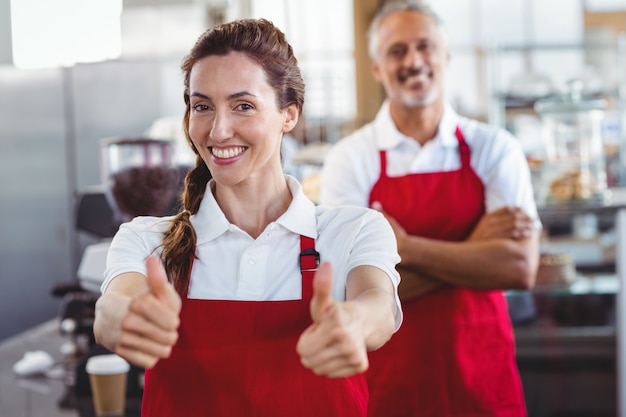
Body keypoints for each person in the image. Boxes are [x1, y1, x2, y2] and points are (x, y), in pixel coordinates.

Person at [93, 18, 402, 417]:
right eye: (202, 106)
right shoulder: (146, 240)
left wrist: (353, 324)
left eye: (243, 106)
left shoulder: (352, 231)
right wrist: (128, 317)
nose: (219, 131)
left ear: (288, 115)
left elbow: (378, 304)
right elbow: (110, 311)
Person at [319, 2, 541, 417]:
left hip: (483, 380)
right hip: (387, 386)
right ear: (377, 68)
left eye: (425, 46)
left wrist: (404, 249)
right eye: (397, 51)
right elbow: (348, 290)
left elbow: (518, 268)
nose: (414, 61)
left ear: (445, 56)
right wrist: (473, 250)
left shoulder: (495, 148)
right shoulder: (351, 159)